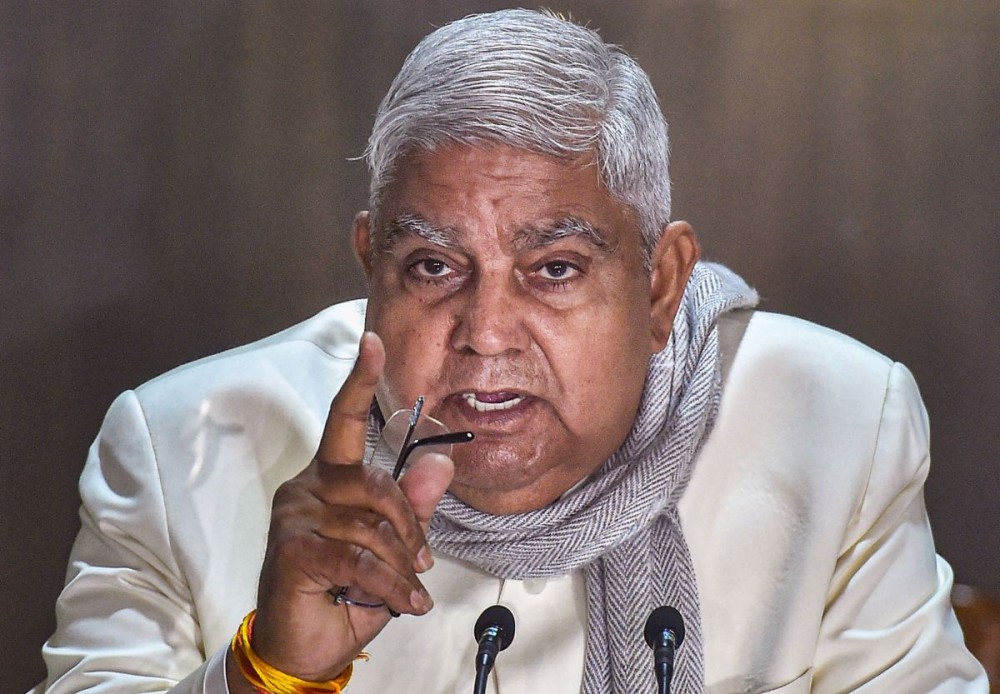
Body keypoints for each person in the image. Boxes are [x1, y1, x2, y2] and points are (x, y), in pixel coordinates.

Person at [35, 9, 986, 694]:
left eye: (557, 268)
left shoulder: (838, 421)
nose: (486, 334)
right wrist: (267, 676)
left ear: (660, 285)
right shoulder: (178, 450)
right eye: (433, 266)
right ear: (372, 267)